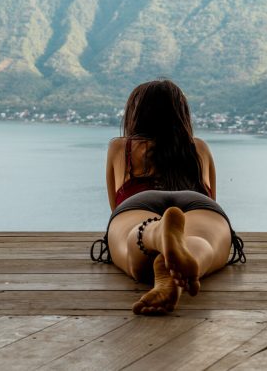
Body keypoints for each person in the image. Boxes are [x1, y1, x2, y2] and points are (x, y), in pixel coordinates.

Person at [93, 79, 244, 315]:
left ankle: (156, 234)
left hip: (139, 203)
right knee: (206, 245)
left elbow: (116, 208)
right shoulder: (199, 148)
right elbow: (212, 196)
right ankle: (177, 258)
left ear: (135, 113)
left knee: (130, 252)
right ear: (181, 114)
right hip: (197, 203)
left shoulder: (120, 148)